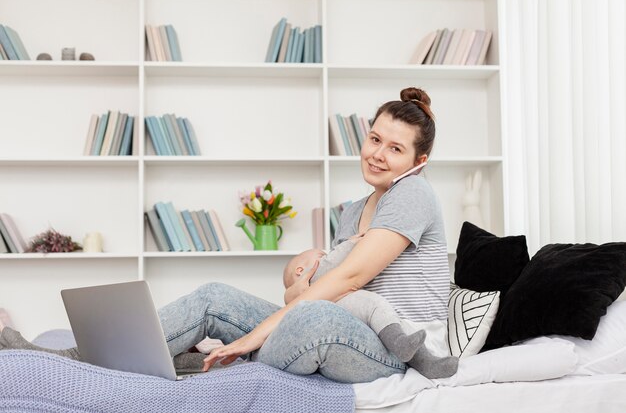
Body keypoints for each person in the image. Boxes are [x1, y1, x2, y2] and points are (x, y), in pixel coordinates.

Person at [0, 87, 455, 384]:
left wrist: (253, 335)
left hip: (395, 349)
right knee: (215, 297)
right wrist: (296, 282)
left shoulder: (412, 193)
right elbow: (314, 289)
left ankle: (159, 364)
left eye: (395, 148)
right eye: (375, 139)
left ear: (420, 160)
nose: (378, 155)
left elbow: (349, 281)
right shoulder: (355, 209)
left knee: (306, 320)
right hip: (339, 323)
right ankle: (90, 357)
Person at [283, 235, 457, 378]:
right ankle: (402, 345)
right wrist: (352, 244)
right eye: (322, 256)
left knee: (395, 321)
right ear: (300, 270)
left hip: (344, 307)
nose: (326, 257)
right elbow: (327, 266)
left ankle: (426, 362)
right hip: (338, 305)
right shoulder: (310, 277)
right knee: (375, 305)